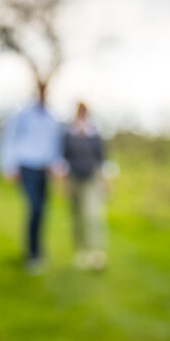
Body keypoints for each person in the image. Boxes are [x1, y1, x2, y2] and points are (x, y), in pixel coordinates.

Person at [0, 81, 65, 271]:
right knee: (34, 207)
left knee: (42, 210)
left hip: (45, 169)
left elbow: (56, 145)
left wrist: (57, 166)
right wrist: (8, 166)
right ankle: (32, 255)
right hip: (26, 167)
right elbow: (8, 140)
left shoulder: (52, 118)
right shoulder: (22, 115)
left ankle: (38, 250)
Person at [63, 102, 109, 270]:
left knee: (92, 215)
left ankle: (95, 252)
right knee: (76, 216)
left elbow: (102, 160)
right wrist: (64, 183)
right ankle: (80, 251)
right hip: (74, 179)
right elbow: (64, 160)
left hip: (91, 179)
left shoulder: (95, 134)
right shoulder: (68, 133)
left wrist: (105, 182)